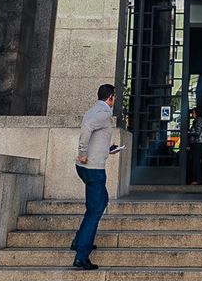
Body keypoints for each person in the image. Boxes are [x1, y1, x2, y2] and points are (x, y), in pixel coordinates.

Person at [72, 83, 117, 271]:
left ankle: (79, 240)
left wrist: (108, 149)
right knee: (96, 210)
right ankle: (82, 255)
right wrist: (82, 152)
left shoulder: (93, 110)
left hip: (86, 167)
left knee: (98, 203)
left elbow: (94, 135)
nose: (115, 100)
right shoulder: (104, 113)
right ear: (111, 97)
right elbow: (87, 128)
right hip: (93, 169)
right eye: (114, 97)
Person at [185, 108, 202, 185]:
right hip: (197, 143)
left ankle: (197, 179)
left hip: (197, 143)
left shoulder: (199, 120)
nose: (192, 114)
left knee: (196, 161)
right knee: (196, 161)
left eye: (193, 112)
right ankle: (196, 179)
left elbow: (197, 132)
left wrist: (189, 132)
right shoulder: (198, 120)